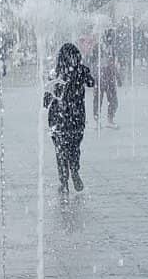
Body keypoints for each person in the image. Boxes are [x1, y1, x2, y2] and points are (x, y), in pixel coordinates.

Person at [44, 43, 95, 195]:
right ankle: (74, 169)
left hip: (58, 118)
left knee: (60, 150)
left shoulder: (55, 74)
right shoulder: (81, 70)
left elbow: (46, 99)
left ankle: (64, 181)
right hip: (77, 117)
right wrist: (81, 71)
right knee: (74, 147)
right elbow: (91, 83)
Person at [93, 28, 122, 129]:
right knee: (98, 100)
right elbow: (95, 62)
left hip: (109, 77)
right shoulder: (98, 47)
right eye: (110, 36)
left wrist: (117, 77)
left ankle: (109, 119)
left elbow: (113, 63)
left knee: (113, 100)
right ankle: (98, 121)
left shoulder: (112, 48)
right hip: (101, 76)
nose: (112, 38)